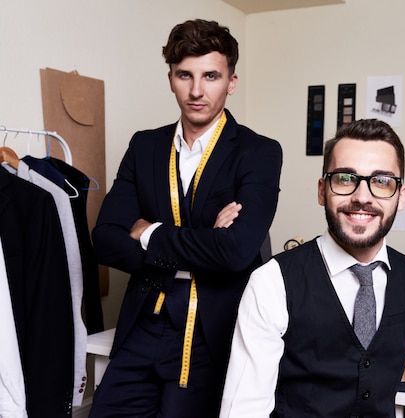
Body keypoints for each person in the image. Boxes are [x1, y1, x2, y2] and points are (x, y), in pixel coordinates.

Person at [219, 119, 405, 417]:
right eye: (345, 178)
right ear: (322, 190)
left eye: (381, 181)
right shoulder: (271, 283)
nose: (362, 197)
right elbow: (243, 411)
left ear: (401, 196)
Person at [89, 19, 282, 418]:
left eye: (211, 76)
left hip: (209, 332)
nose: (197, 91)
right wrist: (203, 241)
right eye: (185, 75)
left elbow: (235, 251)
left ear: (231, 81)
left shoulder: (258, 152)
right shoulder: (145, 146)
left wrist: (149, 232)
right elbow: (105, 239)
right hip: (143, 319)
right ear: (171, 78)